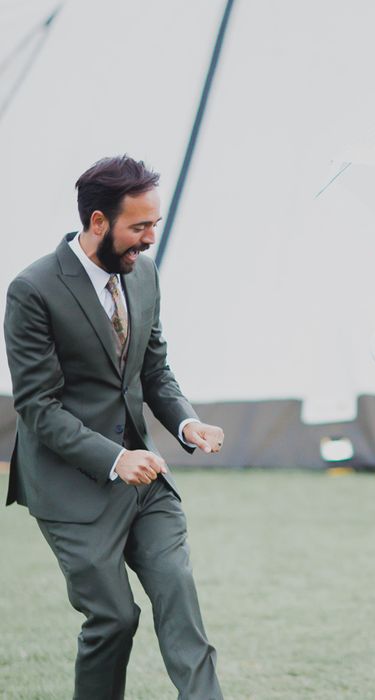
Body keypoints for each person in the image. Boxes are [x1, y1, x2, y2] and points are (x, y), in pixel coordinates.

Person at [4, 156, 225, 699]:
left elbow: (154, 370)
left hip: (147, 481)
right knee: (114, 620)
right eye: (139, 227)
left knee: (180, 603)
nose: (150, 239)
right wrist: (113, 457)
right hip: (70, 488)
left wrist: (187, 422)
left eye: (154, 224)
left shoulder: (143, 273)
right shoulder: (31, 290)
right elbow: (38, 406)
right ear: (98, 222)